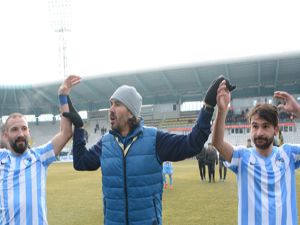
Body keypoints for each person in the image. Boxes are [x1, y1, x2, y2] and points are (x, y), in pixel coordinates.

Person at [64, 75, 235, 225]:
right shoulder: (105, 143)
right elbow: (80, 162)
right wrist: (78, 128)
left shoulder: (155, 139)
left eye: (117, 104)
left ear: (131, 112)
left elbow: (193, 143)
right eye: (110, 104)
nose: (111, 109)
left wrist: (207, 106)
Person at [212, 79, 300, 225]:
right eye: (255, 126)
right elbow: (218, 143)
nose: (259, 132)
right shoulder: (242, 157)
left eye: (265, 126)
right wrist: (221, 111)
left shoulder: (288, 153)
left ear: (276, 130)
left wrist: (298, 111)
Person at [0, 75, 80, 225]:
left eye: (24, 129)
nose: (20, 134)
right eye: (14, 129)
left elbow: (66, 133)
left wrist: (63, 96)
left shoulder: (40, 156)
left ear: (29, 132)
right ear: (5, 135)